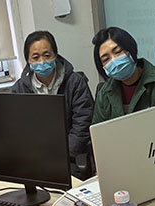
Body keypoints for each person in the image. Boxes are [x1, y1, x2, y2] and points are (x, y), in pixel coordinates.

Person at [11, 30, 94, 177]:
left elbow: (82, 123)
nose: (42, 61)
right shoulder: (20, 89)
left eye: (47, 55)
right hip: (34, 159)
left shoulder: (75, 82)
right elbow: (18, 130)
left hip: (69, 158)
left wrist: (62, 155)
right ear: (28, 60)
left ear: (55, 55)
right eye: (35, 57)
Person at [91, 26, 155, 125]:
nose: (114, 60)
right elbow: (98, 130)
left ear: (130, 48)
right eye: (106, 59)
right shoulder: (104, 94)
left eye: (118, 52)